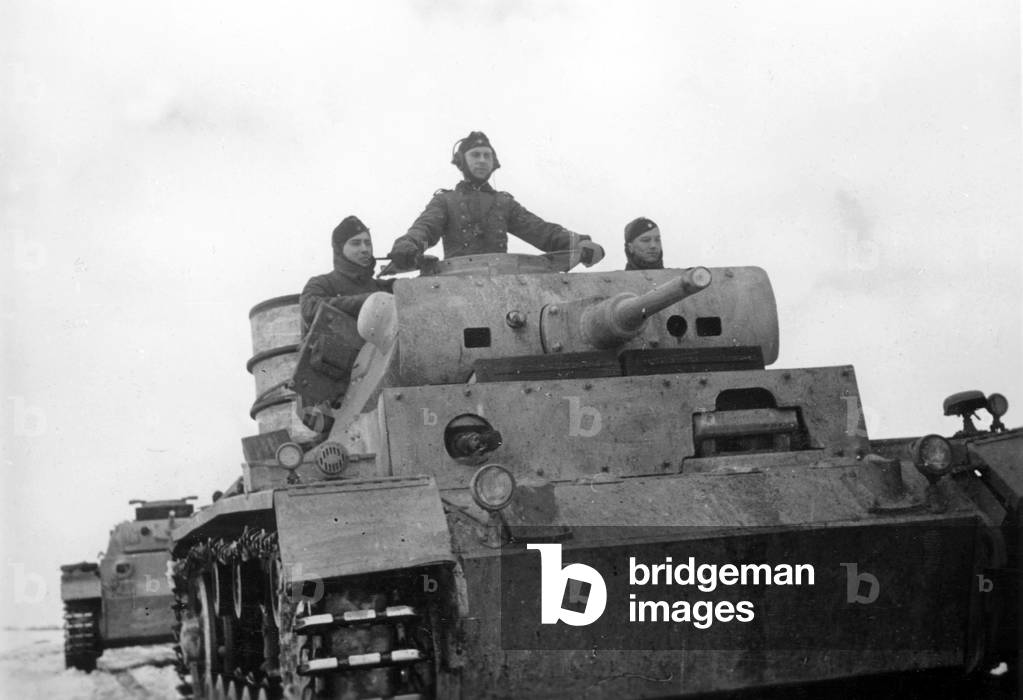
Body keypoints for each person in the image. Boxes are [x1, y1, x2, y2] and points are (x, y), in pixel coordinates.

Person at [387, 130, 604, 268]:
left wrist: (579, 241)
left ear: (494, 162)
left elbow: (540, 231)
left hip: (501, 282)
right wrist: (410, 244)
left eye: (486, 155)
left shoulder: (504, 203)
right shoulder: (445, 201)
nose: (482, 160)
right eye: (475, 155)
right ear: (462, 161)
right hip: (455, 282)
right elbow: (426, 230)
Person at [299, 216, 393, 333]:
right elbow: (310, 309)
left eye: (368, 243)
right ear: (339, 249)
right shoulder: (322, 283)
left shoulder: (382, 287)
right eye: (356, 243)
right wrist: (370, 301)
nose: (365, 249)